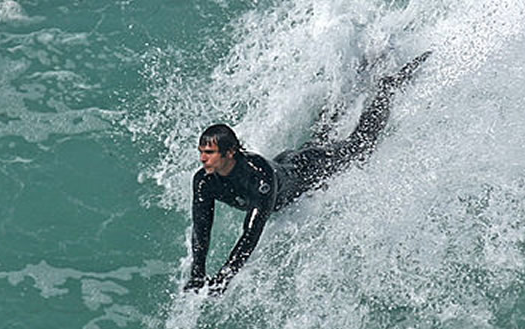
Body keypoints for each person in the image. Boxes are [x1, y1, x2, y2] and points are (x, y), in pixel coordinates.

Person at [184, 51, 431, 294]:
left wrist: (225, 275)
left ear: (230, 153)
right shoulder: (204, 181)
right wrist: (197, 273)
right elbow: (201, 226)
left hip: (309, 170)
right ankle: (358, 75)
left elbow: (251, 233)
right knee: (322, 137)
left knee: (361, 145)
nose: (203, 158)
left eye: (210, 152)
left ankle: (387, 89)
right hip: (287, 163)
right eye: (202, 151)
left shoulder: (259, 178)